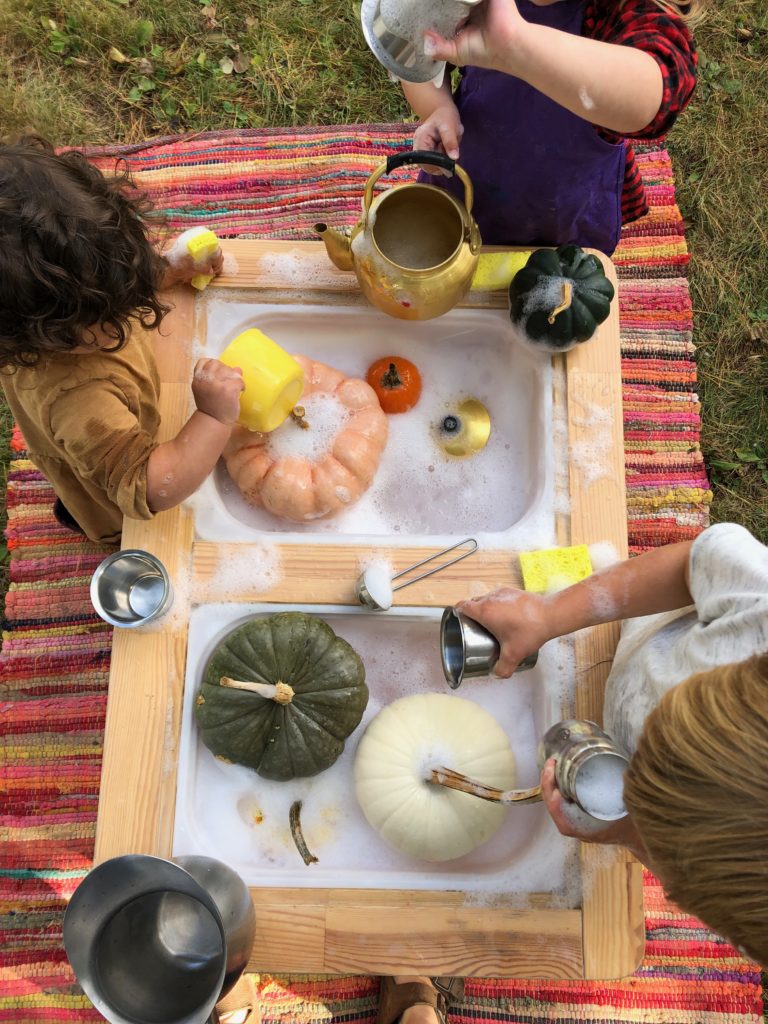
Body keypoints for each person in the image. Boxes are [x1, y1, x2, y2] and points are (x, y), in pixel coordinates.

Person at [453, 522, 768, 964]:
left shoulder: (744, 897)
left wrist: (629, 834)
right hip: (640, 633)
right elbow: (694, 564)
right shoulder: (760, 618)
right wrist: (549, 615)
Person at [0, 135, 244, 544]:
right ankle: (95, 517)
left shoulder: (73, 298)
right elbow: (152, 486)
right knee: (106, 498)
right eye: (98, 318)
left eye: (122, 286)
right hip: (120, 487)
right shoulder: (79, 397)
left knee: (84, 455)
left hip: (101, 421)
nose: (119, 319)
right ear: (36, 335)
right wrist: (213, 417)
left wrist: (166, 269)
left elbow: (103, 284)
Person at [402, 0, 701, 254]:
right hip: (465, 184)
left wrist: (514, 44)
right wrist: (438, 108)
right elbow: (420, 50)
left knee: (553, 300)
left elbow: (654, 95)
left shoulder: (618, 9)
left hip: (563, 216)